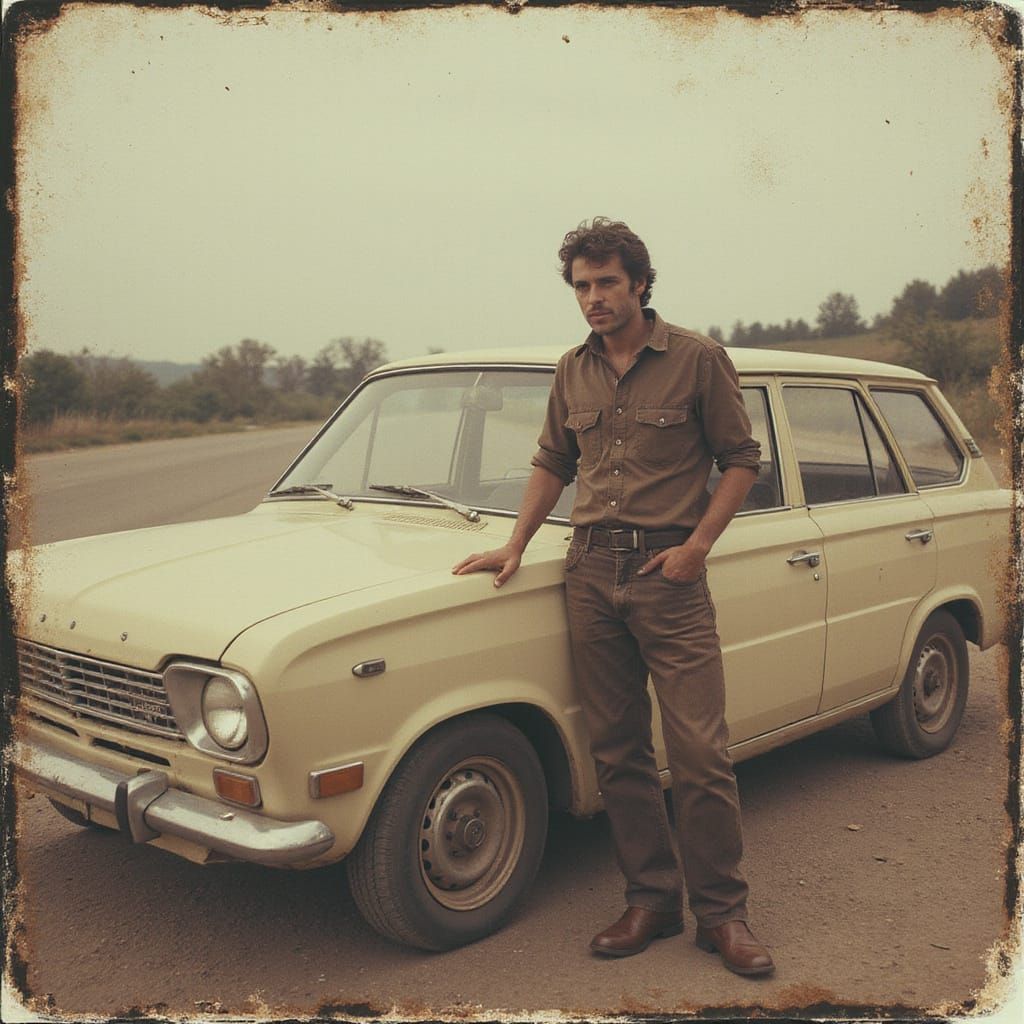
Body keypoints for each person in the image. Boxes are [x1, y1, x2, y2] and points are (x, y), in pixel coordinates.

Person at [452, 218, 774, 976]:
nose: (592, 298)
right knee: (619, 750)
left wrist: (697, 548)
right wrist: (517, 543)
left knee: (700, 751)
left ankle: (723, 916)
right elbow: (552, 460)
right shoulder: (573, 369)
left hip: (670, 576)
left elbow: (740, 459)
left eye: (605, 283)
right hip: (590, 575)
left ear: (638, 284)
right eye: (581, 286)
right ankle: (651, 901)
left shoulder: (697, 360)